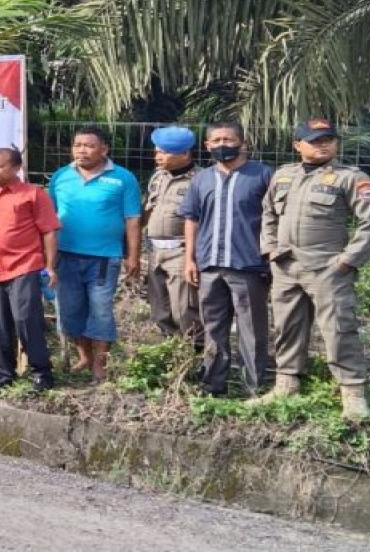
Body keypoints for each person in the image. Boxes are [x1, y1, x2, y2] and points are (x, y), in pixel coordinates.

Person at [256, 118, 370, 419]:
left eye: (328, 139)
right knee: (287, 326)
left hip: (327, 267)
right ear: (297, 145)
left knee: (339, 329)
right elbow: (268, 214)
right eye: (315, 141)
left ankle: (352, 393)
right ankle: (286, 384)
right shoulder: (283, 175)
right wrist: (270, 248)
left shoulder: (350, 177)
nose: (323, 145)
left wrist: (347, 260)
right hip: (286, 265)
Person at [180, 122, 274, 397]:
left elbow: (276, 217)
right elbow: (191, 219)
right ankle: (213, 385)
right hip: (209, 265)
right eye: (216, 140)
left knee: (252, 328)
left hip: (248, 265)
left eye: (228, 139)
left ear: (243, 143)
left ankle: (253, 387)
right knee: (213, 327)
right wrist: (189, 259)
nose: (222, 144)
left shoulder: (263, 175)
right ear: (207, 146)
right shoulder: (201, 179)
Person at [48, 125, 142, 382]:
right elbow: (49, 219)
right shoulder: (60, 177)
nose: (82, 150)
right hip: (65, 256)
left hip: (103, 258)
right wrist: (47, 258)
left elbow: (133, 219)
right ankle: (85, 356)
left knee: (100, 309)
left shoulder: (123, 178)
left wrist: (133, 256)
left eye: (89, 146)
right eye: (78, 145)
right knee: (70, 310)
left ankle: (101, 364)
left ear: (104, 149)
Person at [0, 148, 60, 395]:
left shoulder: (33, 194)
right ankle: (4, 375)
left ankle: (42, 373)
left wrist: (50, 266)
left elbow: (49, 231)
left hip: (24, 266)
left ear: (16, 168)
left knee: (26, 319)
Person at [142, 126, 201, 346]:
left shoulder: (200, 180)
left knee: (184, 308)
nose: (157, 156)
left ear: (185, 154)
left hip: (181, 252)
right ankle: (170, 350)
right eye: (157, 151)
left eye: (164, 152)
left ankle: (195, 352)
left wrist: (193, 256)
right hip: (155, 251)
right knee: (160, 307)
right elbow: (148, 210)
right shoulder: (159, 177)